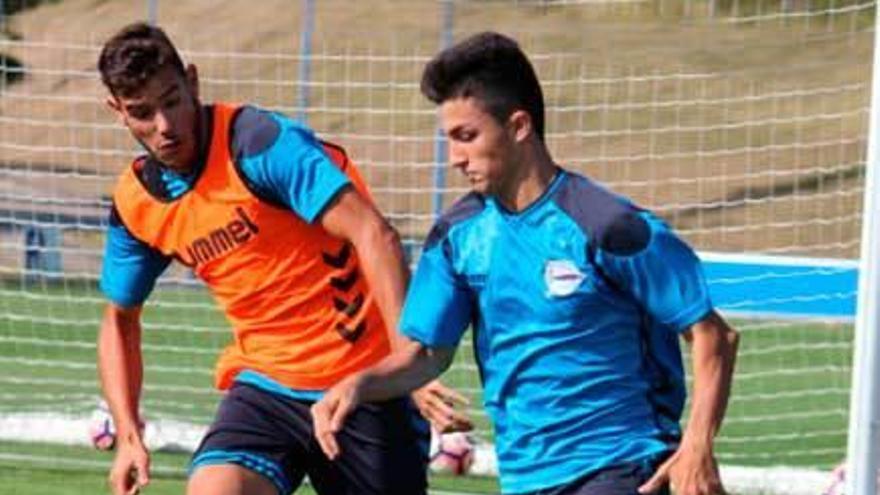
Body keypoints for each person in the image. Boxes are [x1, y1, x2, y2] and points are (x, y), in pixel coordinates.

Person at [311, 31, 740, 495]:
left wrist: (697, 445)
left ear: (518, 126)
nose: (455, 158)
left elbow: (712, 333)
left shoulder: (606, 225)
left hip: (623, 465)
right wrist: (358, 384)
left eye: (467, 136)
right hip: (525, 477)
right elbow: (423, 356)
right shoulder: (456, 238)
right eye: (449, 139)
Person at [96, 22, 470, 495]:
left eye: (171, 101)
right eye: (142, 112)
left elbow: (374, 234)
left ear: (192, 82)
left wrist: (407, 366)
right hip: (266, 386)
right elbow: (118, 319)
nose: (165, 126)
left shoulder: (258, 145)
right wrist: (128, 433)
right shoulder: (138, 203)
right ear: (118, 112)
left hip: (362, 381)